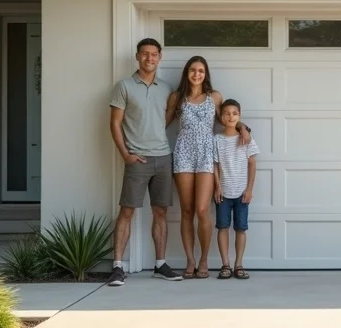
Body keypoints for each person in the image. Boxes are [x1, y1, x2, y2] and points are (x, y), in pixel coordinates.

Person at [165, 56, 250, 279]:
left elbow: (226, 119)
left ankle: (203, 259)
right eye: (193, 70)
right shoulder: (177, 97)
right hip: (183, 153)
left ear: (206, 73)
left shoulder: (215, 96)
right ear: (187, 72)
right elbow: (162, 123)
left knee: (202, 210)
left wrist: (242, 127)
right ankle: (190, 260)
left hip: (206, 155)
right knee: (187, 210)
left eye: (201, 70)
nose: (197, 74)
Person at [107, 38, 183, 286]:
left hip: (163, 157)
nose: (149, 58)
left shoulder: (166, 88)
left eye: (154, 54)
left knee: (161, 212)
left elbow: (166, 120)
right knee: (127, 211)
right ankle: (118, 266)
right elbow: (115, 123)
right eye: (144, 54)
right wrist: (125, 154)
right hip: (137, 158)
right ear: (137, 56)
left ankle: (160, 264)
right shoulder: (124, 86)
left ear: (160, 57)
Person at [213, 99, 259, 280]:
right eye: (227, 113)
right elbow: (214, 165)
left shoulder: (246, 139)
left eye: (234, 113)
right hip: (223, 193)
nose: (230, 116)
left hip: (241, 193)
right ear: (221, 118)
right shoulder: (216, 139)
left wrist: (249, 189)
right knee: (222, 227)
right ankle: (225, 264)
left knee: (241, 228)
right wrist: (217, 188)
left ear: (239, 115)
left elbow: (252, 164)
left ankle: (239, 264)